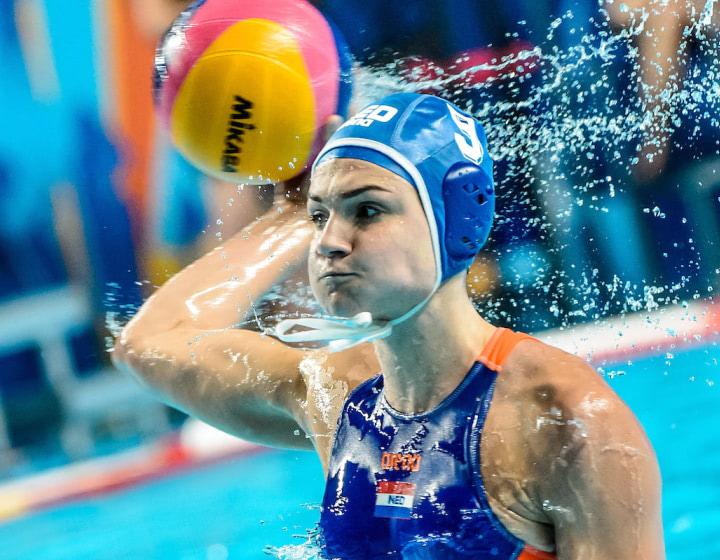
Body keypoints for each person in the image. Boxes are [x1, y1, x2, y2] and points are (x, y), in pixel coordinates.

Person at [113, 93, 664, 558]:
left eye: (367, 211)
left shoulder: (566, 422)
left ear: (458, 218)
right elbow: (147, 345)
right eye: (320, 216)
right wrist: (287, 218)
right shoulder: (335, 396)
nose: (329, 241)